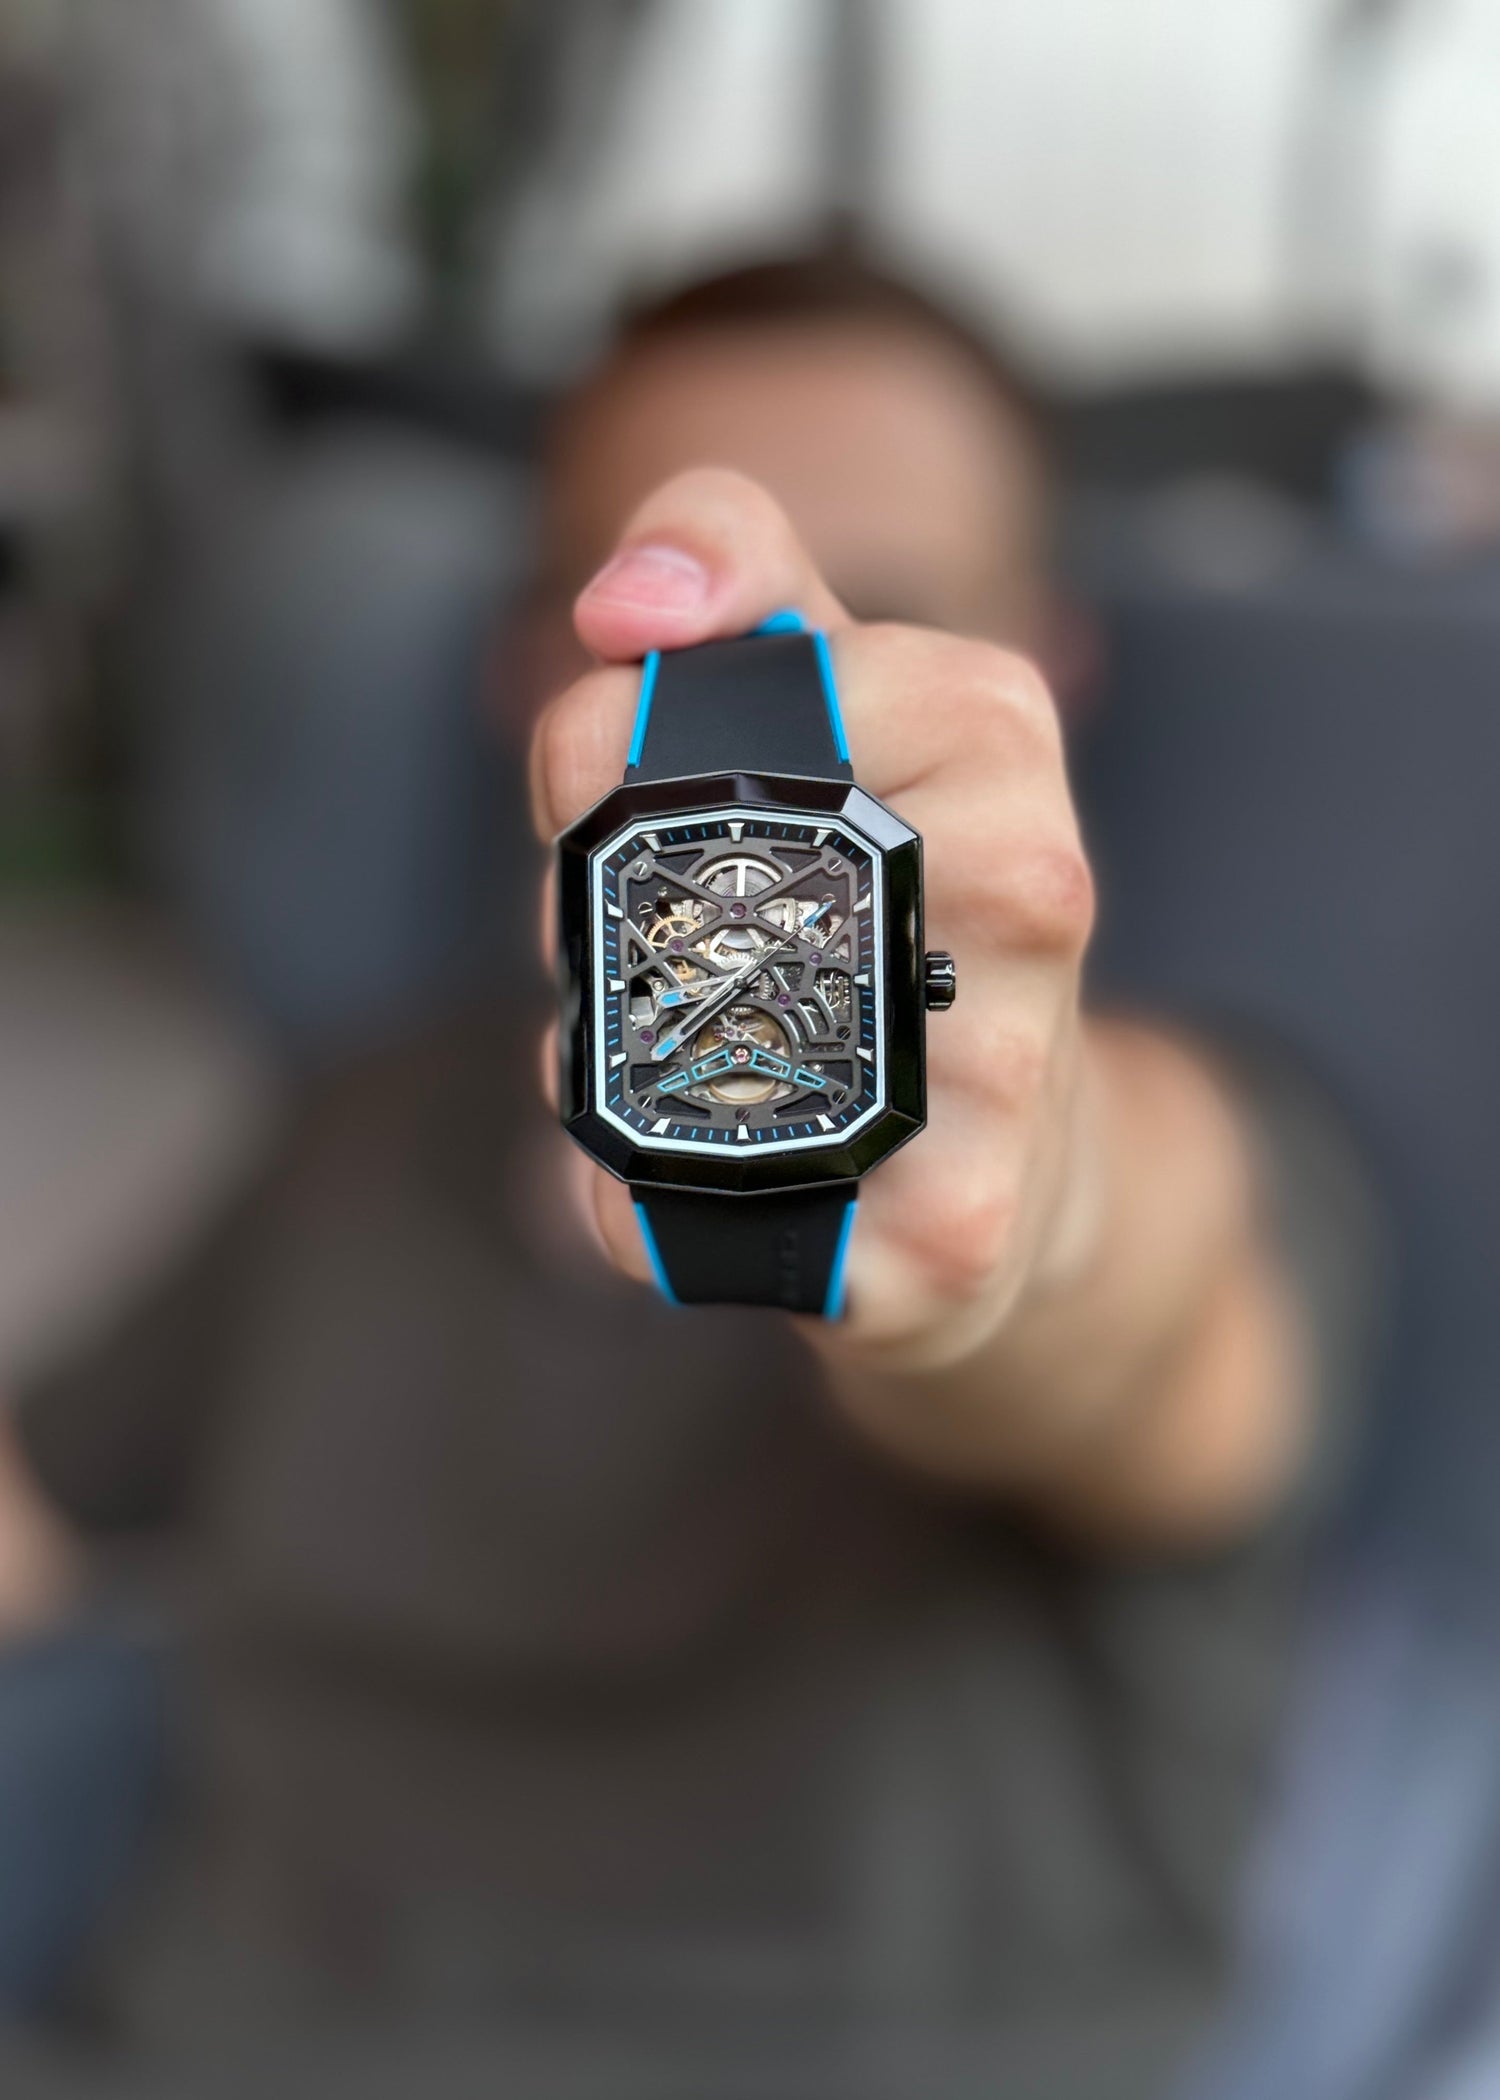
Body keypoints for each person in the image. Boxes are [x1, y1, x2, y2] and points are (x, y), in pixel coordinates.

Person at [0, 255, 1372, 2095]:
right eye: (645, 634)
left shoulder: (1207, 1122)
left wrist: (998, 1202)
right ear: (520, 669)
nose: (765, 705)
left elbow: (1118, 1302)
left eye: (883, 615)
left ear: (1040, 660)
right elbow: (39, 1501)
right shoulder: (349, 1128)